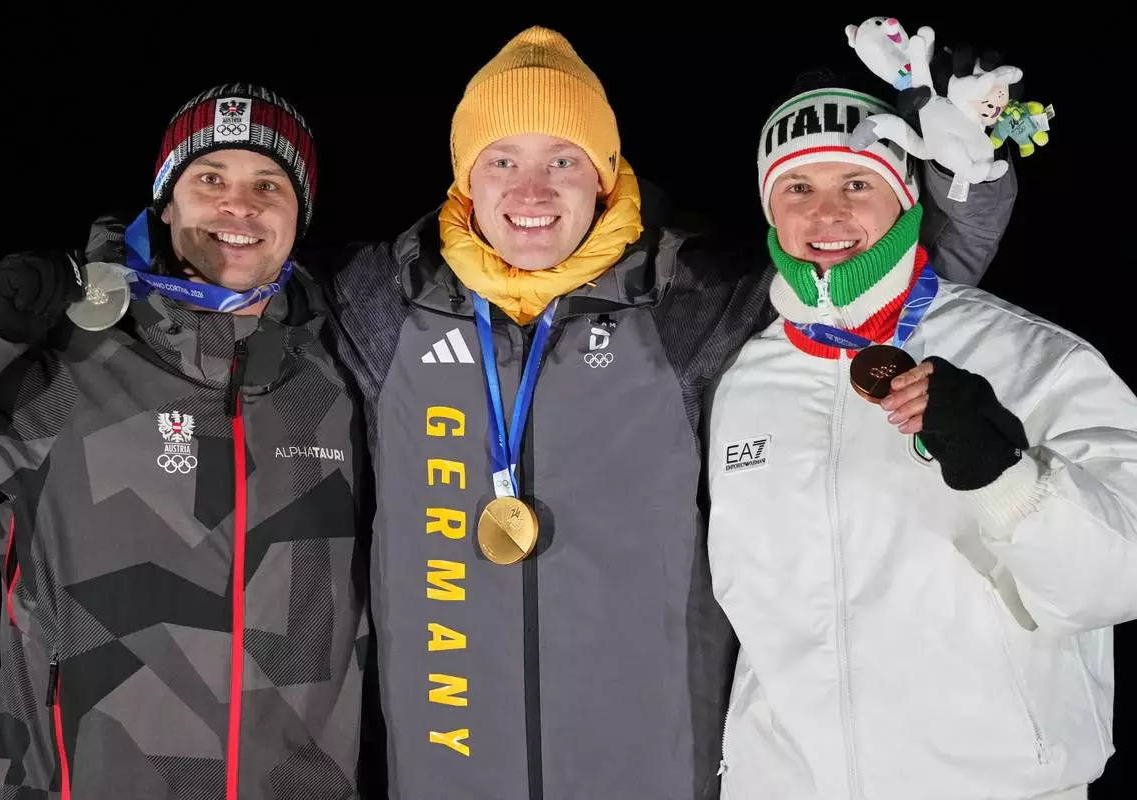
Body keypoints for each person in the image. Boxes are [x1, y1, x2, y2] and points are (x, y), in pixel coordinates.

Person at [323, 27, 1018, 799]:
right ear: (465, 179)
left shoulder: (685, 302)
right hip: (448, 766)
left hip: (651, 767)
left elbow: (877, 303)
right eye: (501, 161)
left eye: (562, 160)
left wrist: (968, 179)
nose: (532, 191)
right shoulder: (381, 303)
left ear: (604, 173)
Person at [0, 83, 370, 799]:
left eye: (269, 183)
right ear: (166, 203)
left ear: (300, 216)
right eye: (210, 179)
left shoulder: (337, 373)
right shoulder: (68, 360)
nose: (241, 205)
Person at [706, 83, 1137, 799]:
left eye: (856, 182)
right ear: (769, 209)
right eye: (798, 187)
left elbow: (1118, 579)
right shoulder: (743, 379)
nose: (827, 212)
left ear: (907, 197)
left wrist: (1006, 473)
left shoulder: (1036, 358)